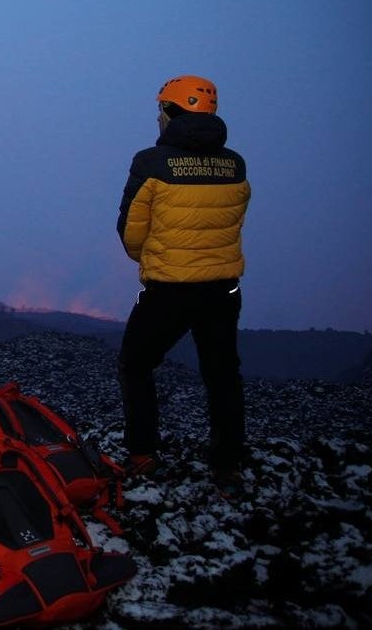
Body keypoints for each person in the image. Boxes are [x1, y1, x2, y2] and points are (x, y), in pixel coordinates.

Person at [116, 74, 251, 498]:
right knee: (222, 375)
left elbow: (130, 231)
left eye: (161, 109)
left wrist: (157, 259)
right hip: (223, 289)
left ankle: (143, 454)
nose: (157, 117)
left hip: (169, 290)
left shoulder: (150, 163)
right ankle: (227, 465)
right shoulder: (235, 164)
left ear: (173, 112)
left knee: (135, 365)